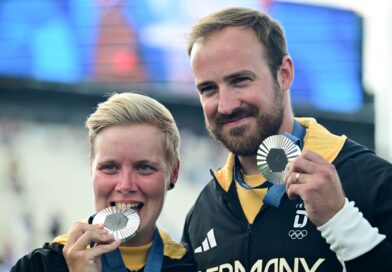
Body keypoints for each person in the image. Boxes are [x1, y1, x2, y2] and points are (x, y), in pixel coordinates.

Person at [181, 7, 392, 272]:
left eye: (241, 80)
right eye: (208, 89)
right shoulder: (203, 211)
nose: (225, 105)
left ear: (284, 74)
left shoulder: (373, 181)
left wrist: (341, 222)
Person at [12, 92, 195, 272]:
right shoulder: (38, 266)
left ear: (174, 173)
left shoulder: (191, 266)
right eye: (110, 167)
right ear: (91, 170)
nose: (125, 185)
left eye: (144, 167)